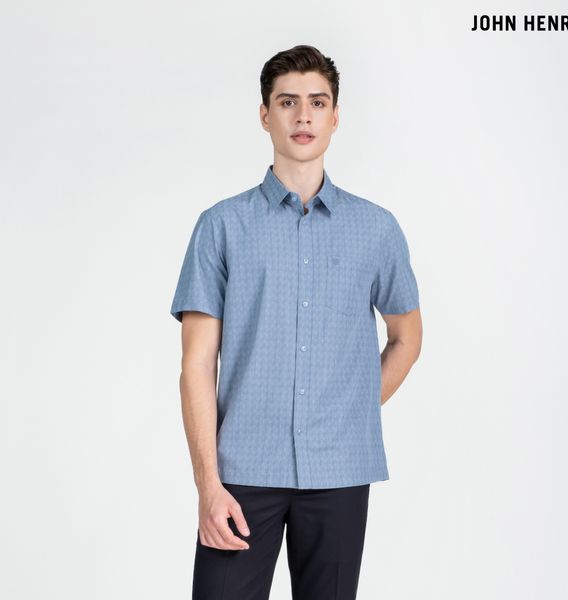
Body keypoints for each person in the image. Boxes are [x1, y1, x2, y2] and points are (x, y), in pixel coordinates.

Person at [170, 44, 422, 600]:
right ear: (265, 115)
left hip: (340, 472)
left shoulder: (376, 229)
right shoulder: (221, 226)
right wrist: (207, 485)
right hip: (241, 472)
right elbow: (196, 365)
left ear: (336, 116)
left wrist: (348, 410)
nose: (303, 116)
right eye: (287, 102)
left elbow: (407, 337)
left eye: (317, 102)